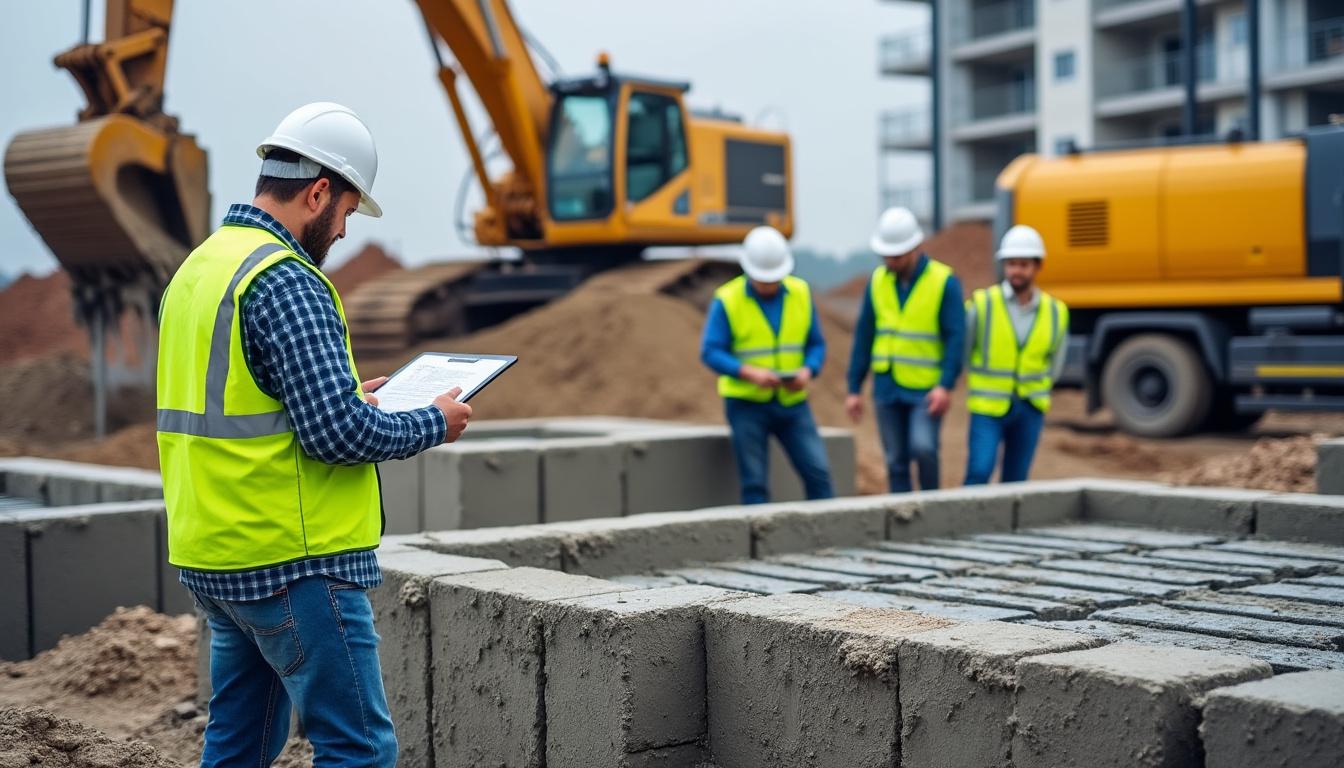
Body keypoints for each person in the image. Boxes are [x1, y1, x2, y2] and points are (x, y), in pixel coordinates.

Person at [155, 102, 472, 767]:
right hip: (295, 563)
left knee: (238, 745)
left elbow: (245, 399)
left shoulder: (200, 270)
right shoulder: (288, 280)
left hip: (215, 554)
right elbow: (337, 435)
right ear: (320, 190)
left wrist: (345, 396)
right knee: (358, 751)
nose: (344, 231)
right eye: (348, 213)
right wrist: (432, 422)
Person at [700, 226, 834, 504]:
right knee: (755, 484)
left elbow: (817, 344)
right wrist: (749, 373)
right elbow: (711, 351)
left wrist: (808, 370)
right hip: (746, 404)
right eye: (762, 279)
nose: (768, 285)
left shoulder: (800, 293)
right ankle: (759, 547)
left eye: (774, 279)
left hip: (792, 401)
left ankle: (826, 541)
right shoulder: (728, 299)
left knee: (818, 474)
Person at [846, 207, 965, 492]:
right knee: (895, 460)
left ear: (916, 247)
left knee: (924, 449)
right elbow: (865, 335)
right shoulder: (877, 281)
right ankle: (902, 517)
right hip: (886, 388)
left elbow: (956, 337)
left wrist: (945, 385)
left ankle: (930, 508)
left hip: (925, 389)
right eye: (886, 255)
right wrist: (854, 388)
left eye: (897, 255)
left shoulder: (943, 282)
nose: (891, 260)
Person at [963, 224, 1070, 485]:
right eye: (1011, 264)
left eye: (1023, 264)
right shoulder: (982, 303)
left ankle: (1005, 527)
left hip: (1030, 406)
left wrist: (1037, 388)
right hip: (988, 404)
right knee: (979, 470)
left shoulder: (1056, 311)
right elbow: (965, 350)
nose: (1016, 271)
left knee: (1016, 479)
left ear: (1037, 266)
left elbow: (1056, 362)